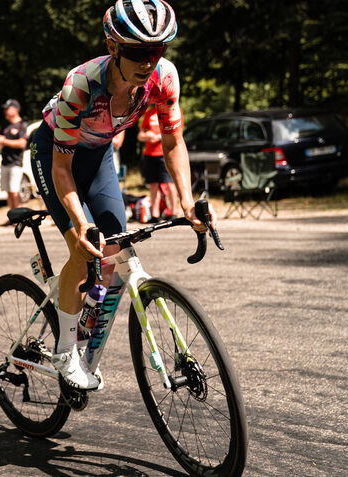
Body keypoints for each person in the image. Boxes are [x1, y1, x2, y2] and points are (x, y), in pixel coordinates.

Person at [31, 0, 212, 389]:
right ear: (113, 47)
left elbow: (173, 140)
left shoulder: (164, 78)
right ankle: (65, 352)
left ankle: (81, 320)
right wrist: (80, 224)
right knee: (84, 250)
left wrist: (185, 200)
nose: (149, 61)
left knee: (113, 251)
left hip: (97, 157)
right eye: (138, 51)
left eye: (157, 50)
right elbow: (61, 169)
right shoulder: (81, 85)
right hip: (54, 156)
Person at [138, 106, 177, 221]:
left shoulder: (172, 110)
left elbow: (176, 132)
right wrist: (147, 136)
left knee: (169, 183)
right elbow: (140, 135)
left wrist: (158, 137)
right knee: (153, 185)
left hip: (164, 153)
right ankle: (155, 214)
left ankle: (173, 212)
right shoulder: (149, 113)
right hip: (150, 154)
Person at [0, 99, 29, 224]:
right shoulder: (5, 126)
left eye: (7, 108)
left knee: (15, 191)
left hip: (16, 163)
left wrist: (4, 142)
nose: (5, 111)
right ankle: (12, 217)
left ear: (15, 109)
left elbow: (22, 143)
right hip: (5, 162)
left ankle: (20, 218)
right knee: (9, 191)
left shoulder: (22, 125)